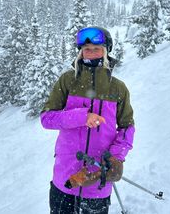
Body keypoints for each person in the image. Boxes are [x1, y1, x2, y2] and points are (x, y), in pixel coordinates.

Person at [40, 26, 135, 214]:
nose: (91, 54)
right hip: (65, 180)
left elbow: (127, 127)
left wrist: (116, 157)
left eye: (96, 49)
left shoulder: (117, 88)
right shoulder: (68, 81)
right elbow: (47, 118)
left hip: (98, 181)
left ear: (106, 51)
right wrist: (82, 117)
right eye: (87, 49)